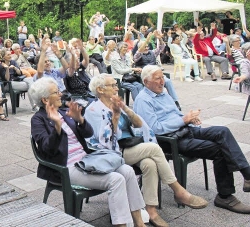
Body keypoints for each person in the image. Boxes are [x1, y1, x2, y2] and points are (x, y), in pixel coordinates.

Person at [85, 74, 208, 226]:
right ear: (100, 90)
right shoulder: (93, 110)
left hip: (128, 147)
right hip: (110, 153)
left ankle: (151, 210)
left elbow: (138, 124)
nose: (117, 88)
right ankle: (178, 190)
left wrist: (124, 109)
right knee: (154, 148)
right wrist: (115, 117)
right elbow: (106, 142)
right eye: (113, 85)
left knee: (149, 164)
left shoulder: (115, 103)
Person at [30, 77, 146, 227]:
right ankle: (122, 225)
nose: (61, 94)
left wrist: (80, 120)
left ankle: (139, 222)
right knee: (116, 180)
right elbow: (47, 149)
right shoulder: (38, 120)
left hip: (86, 160)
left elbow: (88, 134)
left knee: (127, 171)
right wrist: (57, 127)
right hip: (66, 168)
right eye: (56, 92)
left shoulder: (65, 111)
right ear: (45, 100)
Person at [134, 65, 250, 214]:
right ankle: (225, 196)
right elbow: (154, 128)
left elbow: (176, 114)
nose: (162, 81)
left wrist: (189, 119)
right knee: (220, 150)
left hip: (185, 130)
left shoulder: (163, 93)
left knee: (222, 131)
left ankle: (247, 175)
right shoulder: (143, 100)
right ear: (146, 81)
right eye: (158, 78)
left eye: (163, 77)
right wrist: (183, 120)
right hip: (171, 141)